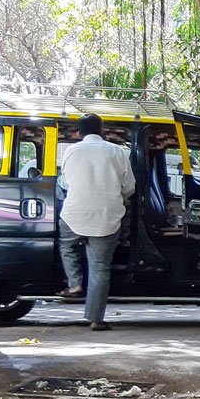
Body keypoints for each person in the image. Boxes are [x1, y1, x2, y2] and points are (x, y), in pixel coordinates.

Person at [57, 113, 135, 331]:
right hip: (107, 217)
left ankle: (74, 284)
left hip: (75, 215)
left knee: (67, 245)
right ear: (102, 131)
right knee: (100, 268)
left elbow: (65, 182)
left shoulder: (71, 151)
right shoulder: (116, 151)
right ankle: (95, 319)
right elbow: (130, 187)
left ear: (79, 133)